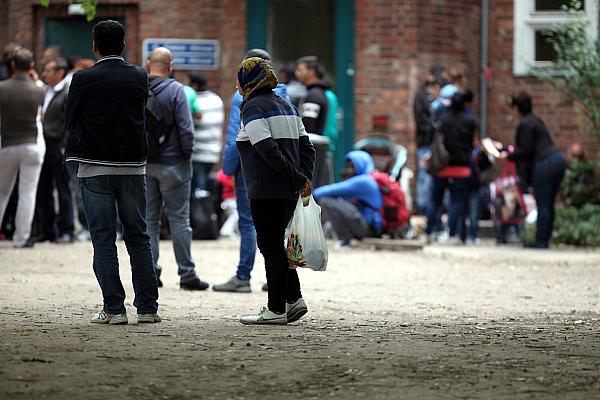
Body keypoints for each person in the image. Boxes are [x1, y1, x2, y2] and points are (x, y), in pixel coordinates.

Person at [64, 20, 160, 324]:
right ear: (124, 45)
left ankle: (114, 308)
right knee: (139, 235)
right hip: (133, 167)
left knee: (103, 238)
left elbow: (69, 117)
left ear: (94, 46)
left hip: (93, 168)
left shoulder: (83, 78)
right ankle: (147, 308)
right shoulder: (139, 76)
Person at [236, 56, 315, 325]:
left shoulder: (252, 107)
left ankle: (276, 309)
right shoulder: (287, 106)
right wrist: (302, 178)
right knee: (276, 246)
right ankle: (294, 299)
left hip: (265, 188)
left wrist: (296, 178)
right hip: (287, 190)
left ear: (249, 80)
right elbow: (308, 147)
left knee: (269, 246)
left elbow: (266, 149)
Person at [214, 48, 291, 293]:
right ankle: (276, 278)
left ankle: (242, 276)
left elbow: (236, 137)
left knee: (249, 223)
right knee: (278, 226)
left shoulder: (243, 97)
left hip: (251, 169)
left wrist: (227, 168)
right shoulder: (284, 97)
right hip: (281, 169)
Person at [145, 47, 209, 291]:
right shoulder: (177, 91)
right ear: (170, 66)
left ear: (149, 64)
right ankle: (187, 274)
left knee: (149, 220)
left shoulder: (139, 89)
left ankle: (150, 272)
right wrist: (186, 156)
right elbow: (186, 129)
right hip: (174, 164)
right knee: (179, 220)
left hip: (145, 163)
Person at [498, 91, 566, 249]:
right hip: (557, 160)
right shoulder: (535, 121)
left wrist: (508, 156)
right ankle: (544, 239)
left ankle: (541, 241)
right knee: (548, 204)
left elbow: (525, 151)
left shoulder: (525, 124)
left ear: (517, 108)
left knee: (543, 203)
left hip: (544, 164)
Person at [0, 48, 45, 248]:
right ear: (32, 67)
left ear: (12, 65)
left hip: (7, 143)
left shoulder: (2, 88)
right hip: (32, 144)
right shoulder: (39, 89)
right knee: (28, 192)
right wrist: (35, 80)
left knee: (2, 192)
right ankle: (21, 238)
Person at [425, 90, 476, 244]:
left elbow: (433, 140)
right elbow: (471, 144)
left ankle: (430, 231)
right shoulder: (469, 121)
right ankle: (451, 233)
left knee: (435, 199)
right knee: (456, 201)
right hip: (461, 167)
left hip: (442, 166)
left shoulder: (442, 120)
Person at [35, 57, 74, 244]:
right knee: (43, 189)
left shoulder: (66, 93)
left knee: (63, 189)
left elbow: (69, 123)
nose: (45, 74)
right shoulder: (44, 91)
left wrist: (64, 147)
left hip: (58, 147)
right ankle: (47, 230)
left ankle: (67, 230)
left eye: (48, 70)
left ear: (60, 72)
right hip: (42, 146)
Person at [313, 150, 383, 247]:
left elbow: (319, 192)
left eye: (352, 167)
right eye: (348, 166)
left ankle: (345, 239)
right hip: (369, 227)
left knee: (326, 201)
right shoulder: (365, 179)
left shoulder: (363, 181)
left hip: (368, 228)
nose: (349, 170)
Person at [188, 71, 224, 194]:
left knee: (198, 190)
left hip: (198, 153)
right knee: (205, 187)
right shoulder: (216, 99)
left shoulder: (194, 101)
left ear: (195, 85)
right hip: (213, 152)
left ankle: (201, 213)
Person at [414, 66, 443, 214]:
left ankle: (430, 207)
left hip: (434, 144)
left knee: (432, 177)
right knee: (425, 175)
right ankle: (422, 206)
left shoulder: (438, 99)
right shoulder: (421, 97)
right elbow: (421, 121)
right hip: (426, 142)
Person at [295, 56, 329, 135]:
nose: (296, 73)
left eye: (300, 70)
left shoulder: (314, 96)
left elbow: (308, 126)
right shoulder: (320, 91)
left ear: (311, 72)